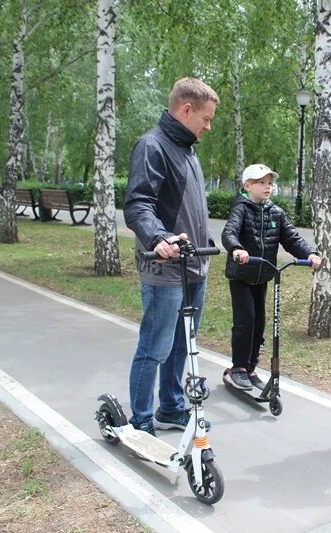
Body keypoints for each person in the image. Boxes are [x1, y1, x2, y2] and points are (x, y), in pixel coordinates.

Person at [123, 77, 219, 436]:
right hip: (164, 268)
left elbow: (183, 205)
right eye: (206, 119)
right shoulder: (152, 146)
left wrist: (202, 235)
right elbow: (138, 205)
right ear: (186, 109)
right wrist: (159, 237)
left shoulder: (187, 149)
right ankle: (141, 419)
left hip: (195, 265)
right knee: (155, 346)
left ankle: (171, 407)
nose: (208, 127)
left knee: (183, 345)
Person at [221, 163, 321, 389]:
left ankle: (250, 368)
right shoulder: (241, 208)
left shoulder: (276, 212)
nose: (267, 187)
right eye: (261, 183)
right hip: (242, 275)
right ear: (247, 186)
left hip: (263, 275)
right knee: (245, 322)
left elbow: (292, 239)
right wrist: (236, 248)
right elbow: (229, 232)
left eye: (270, 183)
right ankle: (238, 367)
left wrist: (311, 254)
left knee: (260, 324)